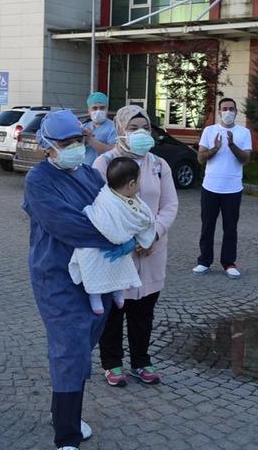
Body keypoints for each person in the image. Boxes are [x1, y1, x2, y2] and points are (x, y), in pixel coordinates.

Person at [22, 110, 136, 450]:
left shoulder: (88, 174)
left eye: (77, 140)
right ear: (47, 146)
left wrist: (130, 228)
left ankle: (65, 416)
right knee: (69, 349)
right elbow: (69, 225)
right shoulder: (38, 181)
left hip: (94, 278)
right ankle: (67, 434)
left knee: (81, 346)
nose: (74, 147)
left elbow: (115, 206)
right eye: (65, 143)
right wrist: (118, 237)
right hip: (56, 276)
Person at [94, 105, 179, 386]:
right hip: (119, 251)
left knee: (144, 310)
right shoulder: (104, 163)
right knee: (115, 310)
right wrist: (129, 240)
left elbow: (169, 205)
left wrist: (151, 235)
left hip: (152, 250)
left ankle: (141, 361)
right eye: (133, 128)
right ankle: (112, 363)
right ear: (120, 130)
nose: (141, 133)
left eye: (145, 128)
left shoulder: (158, 164)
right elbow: (100, 207)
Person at [69, 157, 156, 315]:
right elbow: (103, 220)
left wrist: (133, 240)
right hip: (97, 244)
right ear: (131, 184)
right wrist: (119, 237)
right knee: (92, 261)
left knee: (120, 262)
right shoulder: (106, 199)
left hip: (121, 245)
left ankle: (118, 290)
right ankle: (94, 294)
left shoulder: (132, 198)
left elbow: (142, 220)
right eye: (140, 179)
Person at [193, 97, 252, 279]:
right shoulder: (209, 131)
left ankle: (229, 263)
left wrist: (232, 144)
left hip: (233, 189)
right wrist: (216, 148)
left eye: (231, 109)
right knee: (207, 226)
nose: (228, 112)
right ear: (219, 112)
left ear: (236, 112)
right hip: (210, 187)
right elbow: (200, 158)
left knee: (230, 228)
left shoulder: (243, 133)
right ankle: (204, 261)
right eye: (224, 109)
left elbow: (245, 159)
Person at [82, 91, 117, 166]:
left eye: (102, 108)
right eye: (94, 108)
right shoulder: (84, 127)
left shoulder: (114, 127)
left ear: (107, 109)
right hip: (84, 169)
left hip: (103, 170)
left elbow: (113, 152)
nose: (98, 111)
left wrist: (90, 139)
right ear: (89, 111)